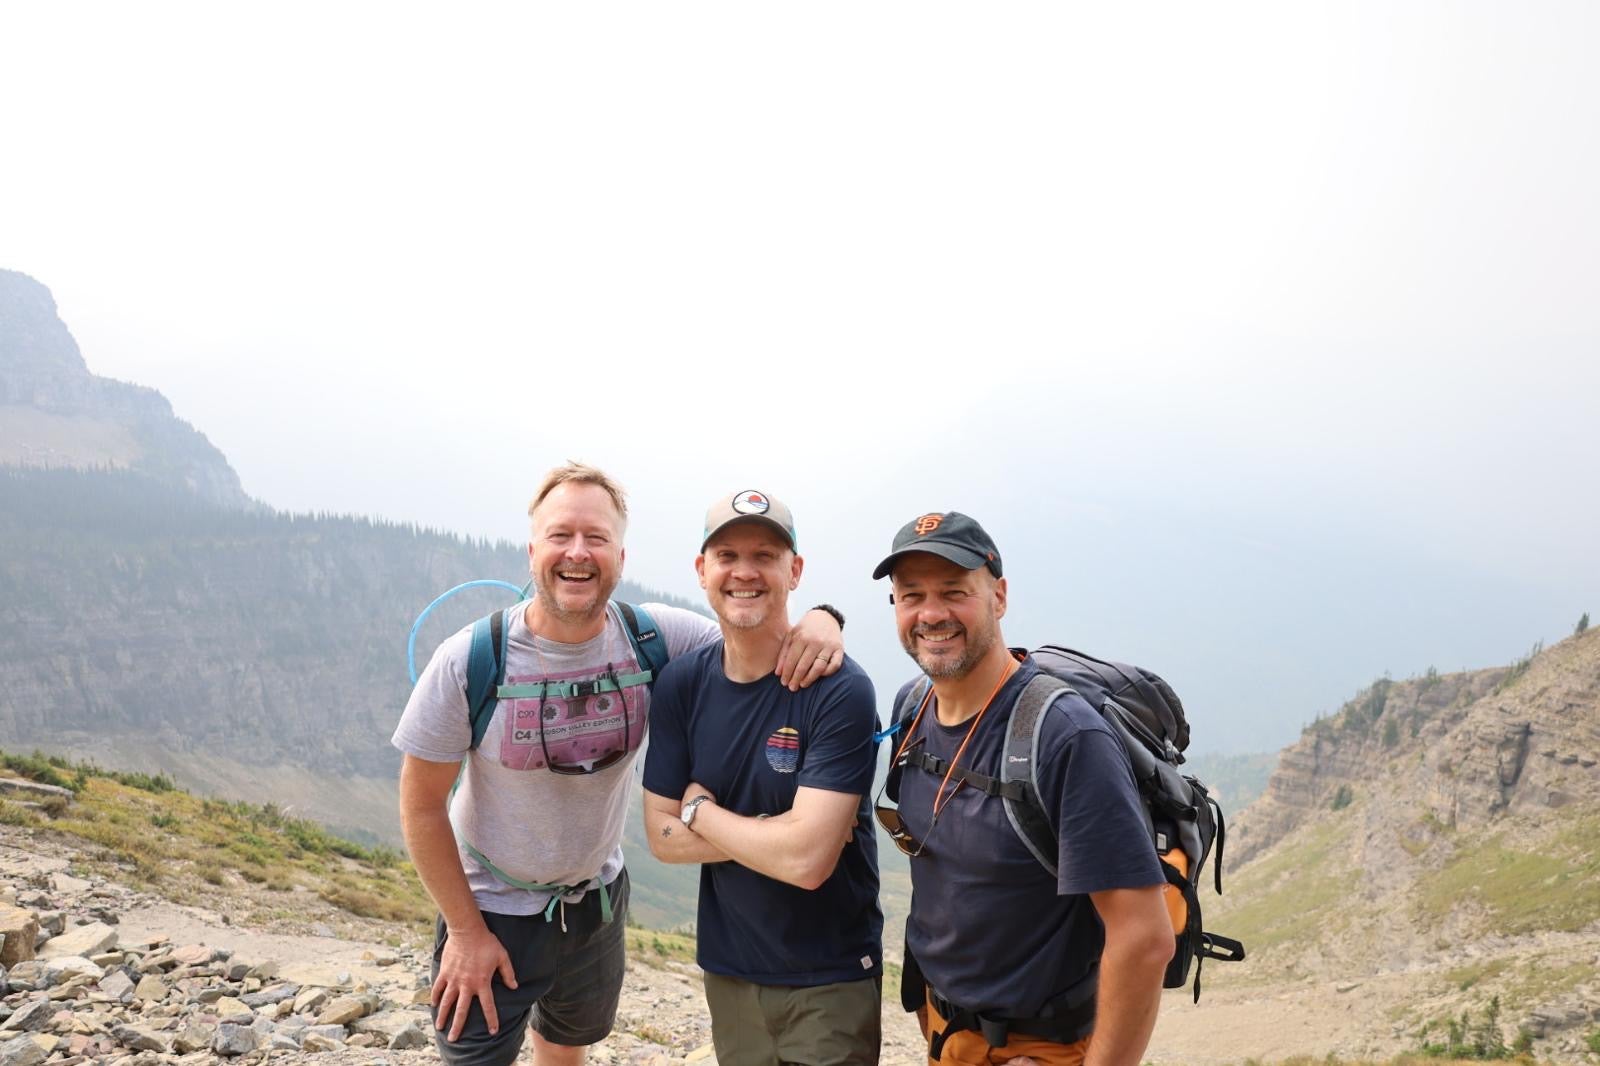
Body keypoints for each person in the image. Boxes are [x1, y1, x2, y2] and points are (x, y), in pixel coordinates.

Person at [393, 466, 846, 1066]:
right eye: (560, 536)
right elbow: (421, 805)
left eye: (596, 538)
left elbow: (754, 635)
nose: (577, 553)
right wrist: (467, 932)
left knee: (566, 1045)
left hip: (598, 899)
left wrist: (823, 619)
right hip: (490, 907)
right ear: (533, 550)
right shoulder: (472, 661)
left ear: (620, 556)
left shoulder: (655, 638)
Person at [872, 512, 1173, 1066]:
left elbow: (1144, 938)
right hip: (946, 1033)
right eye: (911, 595)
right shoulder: (913, 706)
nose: (931, 614)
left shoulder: (1064, 736)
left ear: (999, 597)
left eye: (954, 592)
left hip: (1040, 1048)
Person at [642, 490, 883, 1066]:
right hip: (727, 973)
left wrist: (701, 813)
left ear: (794, 571)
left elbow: (806, 861)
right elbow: (659, 838)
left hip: (831, 976)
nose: (744, 572)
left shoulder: (839, 689)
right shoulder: (681, 685)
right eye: (726, 555)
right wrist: (780, 832)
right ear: (702, 571)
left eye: (766, 556)